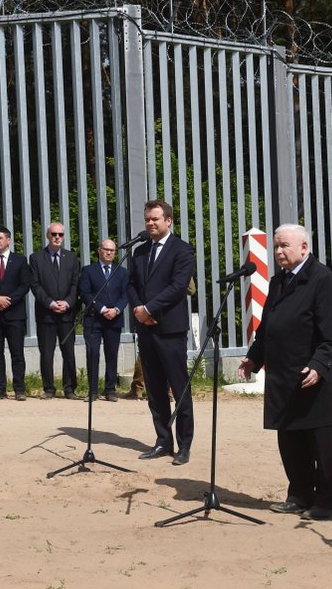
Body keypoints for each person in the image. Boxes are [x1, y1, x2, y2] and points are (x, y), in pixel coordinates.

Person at [238, 224, 332, 521]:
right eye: (276, 247)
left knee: (319, 442)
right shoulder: (279, 281)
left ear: (304, 248)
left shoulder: (322, 280)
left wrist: (320, 366)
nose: (279, 252)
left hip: (312, 377)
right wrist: (253, 359)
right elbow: (267, 327)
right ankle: (298, 495)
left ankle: (326, 502)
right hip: (282, 377)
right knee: (290, 441)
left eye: (284, 246)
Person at [127, 200, 195, 466]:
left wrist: (150, 308)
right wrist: (138, 309)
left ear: (169, 221)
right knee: (154, 389)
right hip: (146, 328)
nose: (150, 224)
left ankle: (184, 445)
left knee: (179, 388)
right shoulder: (140, 251)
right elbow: (131, 284)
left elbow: (179, 286)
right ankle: (163, 441)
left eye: (155, 219)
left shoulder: (182, 250)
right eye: (147, 220)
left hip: (170, 329)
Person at [0, 226, 33, 400]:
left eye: (0, 238)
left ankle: (19, 388)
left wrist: (8, 300)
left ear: (8, 240)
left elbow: (25, 285)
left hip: (14, 314)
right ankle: (0, 388)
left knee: (17, 353)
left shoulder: (20, 260)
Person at [29, 222, 80, 400]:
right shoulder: (36, 258)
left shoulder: (72, 257)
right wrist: (50, 303)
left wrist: (67, 303)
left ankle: (69, 388)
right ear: (47, 236)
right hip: (46, 314)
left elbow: (75, 284)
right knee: (47, 352)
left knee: (68, 351)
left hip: (66, 314)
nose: (57, 237)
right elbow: (35, 285)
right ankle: (49, 388)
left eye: (60, 235)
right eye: (54, 234)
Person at [79, 239, 128, 402]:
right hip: (94, 319)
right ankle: (92, 391)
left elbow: (125, 294)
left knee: (112, 354)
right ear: (99, 250)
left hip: (114, 319)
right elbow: (85, 293)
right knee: (93, 354)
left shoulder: (121, 272)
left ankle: (110, 390)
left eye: (112, 250)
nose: (109, 253)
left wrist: (116, 310)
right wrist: (101, 309)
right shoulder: (88, 271)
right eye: (106, 249)